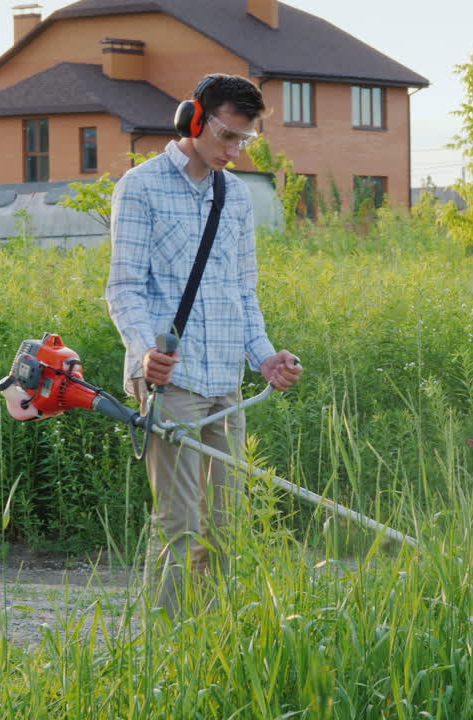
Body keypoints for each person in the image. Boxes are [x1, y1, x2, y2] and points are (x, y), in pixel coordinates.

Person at [105, 73, 302, 618]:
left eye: (245, 142)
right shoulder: (140, 187)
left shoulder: (235, 195)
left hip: (228, 388)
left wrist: (265, 356)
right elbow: (123, 288)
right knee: (180, 524)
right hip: (174, 384)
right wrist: (147, 351)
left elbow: (243, 292)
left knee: (225, 524)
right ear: (194, 121)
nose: (235, 152)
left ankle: (209, 642)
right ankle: (162, 650)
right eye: (227, 137)